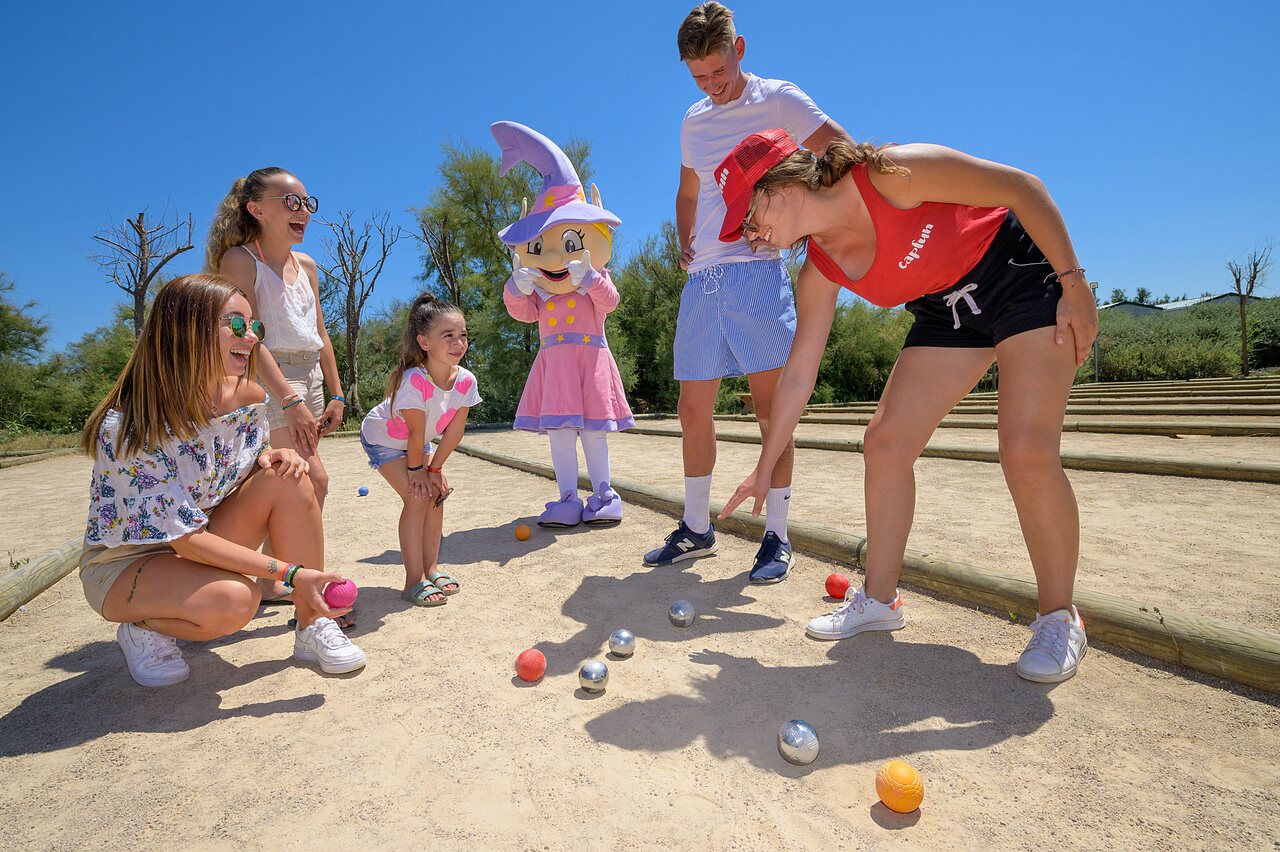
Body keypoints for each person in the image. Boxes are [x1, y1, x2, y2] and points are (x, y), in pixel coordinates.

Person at [716, 129, 1098, 683]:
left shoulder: (891, 174)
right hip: (948, 311)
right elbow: (799, 374)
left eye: (748, 220)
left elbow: (1023, 188)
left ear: (776, 187)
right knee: (886, 442)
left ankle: (1060, 617)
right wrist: (762, 466)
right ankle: (879, 600)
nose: (752, 237)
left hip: (1020, 275)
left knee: (1025, 450)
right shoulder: (819, 269)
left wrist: (1074, 284)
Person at [644, 1, 849, 584]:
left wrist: (812, 218)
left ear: (740, 49)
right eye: (698, 78)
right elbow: (688, 192)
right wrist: (684, 237)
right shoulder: (693, 121)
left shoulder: (780, 100)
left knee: (769, 410)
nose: (712, 86)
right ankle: (696, 526)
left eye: (718, 72)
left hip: (758, 271)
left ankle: (778, 536)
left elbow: (840, 151)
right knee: (691, 410)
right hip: (702, 277)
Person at [79, 274, 366, 687]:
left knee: (290, 476)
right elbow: (184, 539)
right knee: (235, 602)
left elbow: (234, 469)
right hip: (127, 562)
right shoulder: (129, 426)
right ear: (185, 328)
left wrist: (270, 457)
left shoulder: (248, 397)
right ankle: (143, 626)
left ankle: (313, 623)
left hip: (199, 537)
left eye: (254, 326)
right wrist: (290, 574)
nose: (250, 337)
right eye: (235, 324)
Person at [206, 167, 347, 613]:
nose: (302, 210)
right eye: (290, 202)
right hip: (268, 378)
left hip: (311, 377)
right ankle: (299, 586)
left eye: (307, 203)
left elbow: (321, 331)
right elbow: (247, 337)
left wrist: (338, 392)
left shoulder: (307, 266)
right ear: (256, 209)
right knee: (307, 479)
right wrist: (288, 397)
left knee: (302, 481)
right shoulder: (240, 261)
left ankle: (275, 576)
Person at [494, 121, 634, 529]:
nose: (555, 255)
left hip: (590, 363)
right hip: (555, 366)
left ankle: (604, 496)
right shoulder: (540, 289)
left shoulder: (596, 279)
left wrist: (590, 279)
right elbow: (522, 313)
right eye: (540, 245)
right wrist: (515, 287)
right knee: (560, 435)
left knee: (593, 433)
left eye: (570, 240)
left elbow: (610, 302)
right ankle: (568, 499)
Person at [360, 293, 481, 607]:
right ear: (425, 343)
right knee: (417, 497)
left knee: (436, 495)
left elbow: (454, 431)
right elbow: (414, 434)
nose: (459, 342)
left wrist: (436, 470)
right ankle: (413, 580)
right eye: (448, 336)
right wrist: (418, 473)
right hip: (384, 439)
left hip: (418, 441)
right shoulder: (415, 380)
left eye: (463, 335)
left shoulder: (466, 381)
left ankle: (432, 569)